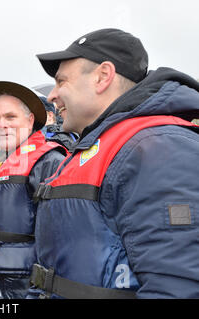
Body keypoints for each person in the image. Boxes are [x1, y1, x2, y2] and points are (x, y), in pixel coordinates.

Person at [30, 28, 199, 298]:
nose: (52, 95)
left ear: (102, 77)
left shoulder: (158, 146)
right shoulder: (102, 144)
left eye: (62, 81)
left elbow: (179, 287)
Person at [0, 81, 68, 299]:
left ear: (30, 120)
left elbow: (61, 243)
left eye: (10, 117)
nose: (2, 125)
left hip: (24, 289)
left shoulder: (50, 162)